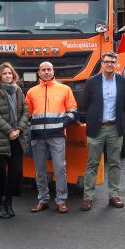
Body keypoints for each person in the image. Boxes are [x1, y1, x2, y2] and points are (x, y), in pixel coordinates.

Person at [78, 51, 125, 211]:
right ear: (101, 64)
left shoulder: (123, 82)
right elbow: (84, 105)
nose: (109, 64)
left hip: (115, 128)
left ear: (116, 64)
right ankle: (88, 198)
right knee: (92, 163)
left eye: (112, 62)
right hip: (96, 129)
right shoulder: (92, 82)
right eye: (106, 61)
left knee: (115, 163)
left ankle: (114, 195)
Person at [26, 61, 78, 214]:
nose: (46, 72)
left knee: (60, 168)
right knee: (40, 171)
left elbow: (73, 111)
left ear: (53, 71)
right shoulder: (32, 92)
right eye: (43, 70)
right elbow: (27, 114)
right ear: (39, 73)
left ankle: (61, 201)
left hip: (57, 136)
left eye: (49, 69)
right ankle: (43, 200)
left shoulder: (65, 89)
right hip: (37, 136)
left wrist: (61, 124)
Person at [0, 62, 29, 219]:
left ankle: (8, 201)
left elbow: (25, 112)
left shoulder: (18, 91)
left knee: (16, 172)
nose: (8, 76)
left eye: (10, 73)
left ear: (14, 75)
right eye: (5, 73)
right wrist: (9, 131)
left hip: (17, 138)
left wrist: (18, 129)